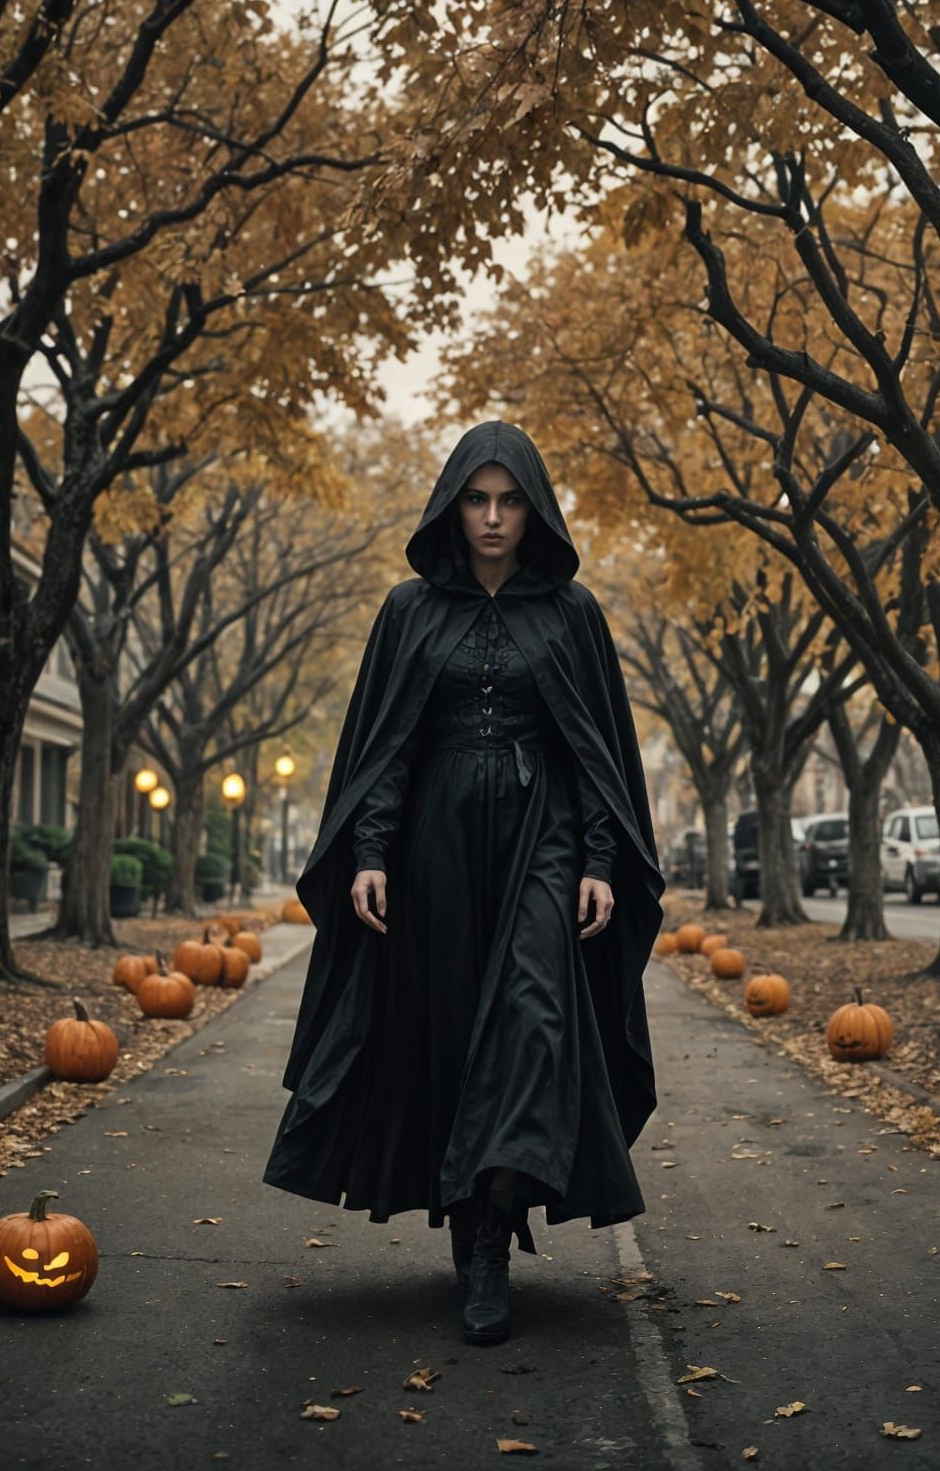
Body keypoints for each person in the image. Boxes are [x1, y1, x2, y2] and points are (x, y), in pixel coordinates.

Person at [263, 420, 664, 1345]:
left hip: (541, 840)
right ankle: (471, 1207)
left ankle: (492, 1238)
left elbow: (592, 752)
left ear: (534, 510)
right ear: (453, 505)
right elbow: (387, 746)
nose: (492, 517)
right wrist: (370, 852)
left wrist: (600, 862)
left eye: (509, 501)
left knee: (533, 1021)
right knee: (449, 1032)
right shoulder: (409, 610)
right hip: (433, 845)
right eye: (477, 500)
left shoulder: (573, 613)